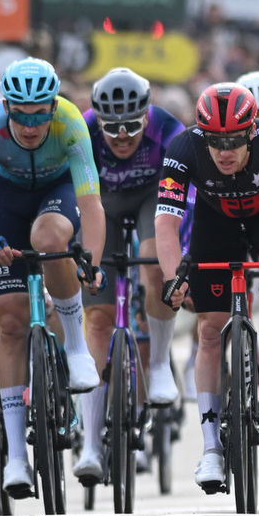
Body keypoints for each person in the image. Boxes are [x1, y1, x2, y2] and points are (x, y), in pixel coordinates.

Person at [155, 83, 259, 490]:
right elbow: (167, 223)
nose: (224, 151)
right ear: (202, 135)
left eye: (233, 141)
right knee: (209, 331)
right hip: (216, 223)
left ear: (251, 132)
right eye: (215, 141)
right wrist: (173, 279)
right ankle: (211, 448)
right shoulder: (183, 148)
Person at [0, 58, 106, 496]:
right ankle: (16, 456)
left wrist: (92, 261)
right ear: (7, 108)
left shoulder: (71, 123)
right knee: (10, 320)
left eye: (40, 115)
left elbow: (91, 204)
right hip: (5, 200)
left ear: (53, 107)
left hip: (57, 192)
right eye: (21, 115)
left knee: (49, 238)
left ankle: (76, 348)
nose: (31, 125)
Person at [73, 67, 186, 485]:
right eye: (112, 128)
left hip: (150, 199)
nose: (122, 137)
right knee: (97, 319)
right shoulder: (82, 131)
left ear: (147, 115)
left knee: (154, 261)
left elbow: (183, 199)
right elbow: (71, 196)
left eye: (132, 127)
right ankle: (90, 444)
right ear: (98, 120)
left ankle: (158, 365)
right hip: (100, 202)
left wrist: (179, 253)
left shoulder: (169, 131)